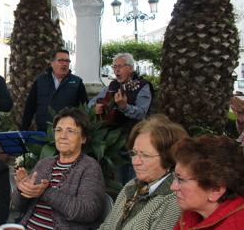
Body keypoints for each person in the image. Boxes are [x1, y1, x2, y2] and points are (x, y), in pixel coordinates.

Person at [12, 107, 106, 229]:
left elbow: (88, 211)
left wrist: (45, 192)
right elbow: (19, 206)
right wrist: (23, 190)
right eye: (59, 130)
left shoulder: (90, 167)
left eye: (70, 131)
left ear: (83, 138)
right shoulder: (44, 163)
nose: (63, 136)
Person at [99, 114, 188, 230]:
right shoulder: (131, 185)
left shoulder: (173, 199)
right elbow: (106, 226)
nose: (135, 162)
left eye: (145, 156)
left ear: (168, 158)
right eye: (134, 153)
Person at [89, 53, 152, 183]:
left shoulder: (143, 86)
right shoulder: (112, 86)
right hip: (114, 141)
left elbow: (141, 113)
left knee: (134, 177)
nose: (116, 70)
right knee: (118, 179)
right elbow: (92, 102)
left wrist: (124, 107)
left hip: (134, 139)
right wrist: (94, 107)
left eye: (120, 66)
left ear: (130, 68)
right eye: (114, 66)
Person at [171, 135, 244, 230]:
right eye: (175, 177)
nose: (172, 187)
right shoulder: (192, 214)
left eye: (181, 180)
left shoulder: (235, 225)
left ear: (215, 190)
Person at [21, 50, 88, 131]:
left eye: (67, 61)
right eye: (61, 60)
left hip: (67, 131)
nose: (64, 63)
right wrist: (24, 130)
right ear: (52, 63)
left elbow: (84, 108)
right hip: (43, 132)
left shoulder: (77, 82)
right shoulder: (40, 81)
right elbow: (30, 107)